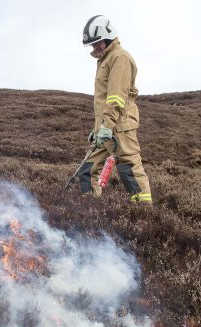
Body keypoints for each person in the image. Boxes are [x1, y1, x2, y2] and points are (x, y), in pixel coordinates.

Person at [78, 15, 152, 203]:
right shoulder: (105, 59)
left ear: (108, 36)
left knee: (128, 168)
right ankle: (89, 210)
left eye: (97, 42)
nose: (95, 47)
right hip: (106, 127)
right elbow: (103, 100)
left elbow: (116, 98)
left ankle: (144, 213)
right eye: (92, 44)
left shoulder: (120, 58)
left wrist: (107, 125)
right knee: (88, 169)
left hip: (119, 127)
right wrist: (97, 128)